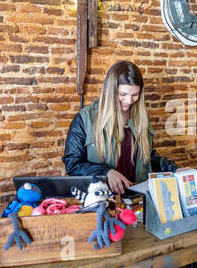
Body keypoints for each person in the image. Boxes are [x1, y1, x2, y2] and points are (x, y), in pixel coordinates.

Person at [62, 60, 177, 194]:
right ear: (110, 90)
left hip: (137, 196)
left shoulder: (141, 117)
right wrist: (106, 171)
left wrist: (173, 169)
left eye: (135, 95)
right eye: (123, 94)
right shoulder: (84, 119)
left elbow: (148, 156)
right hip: (103, 198)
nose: (129, 101)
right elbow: (72, 164)